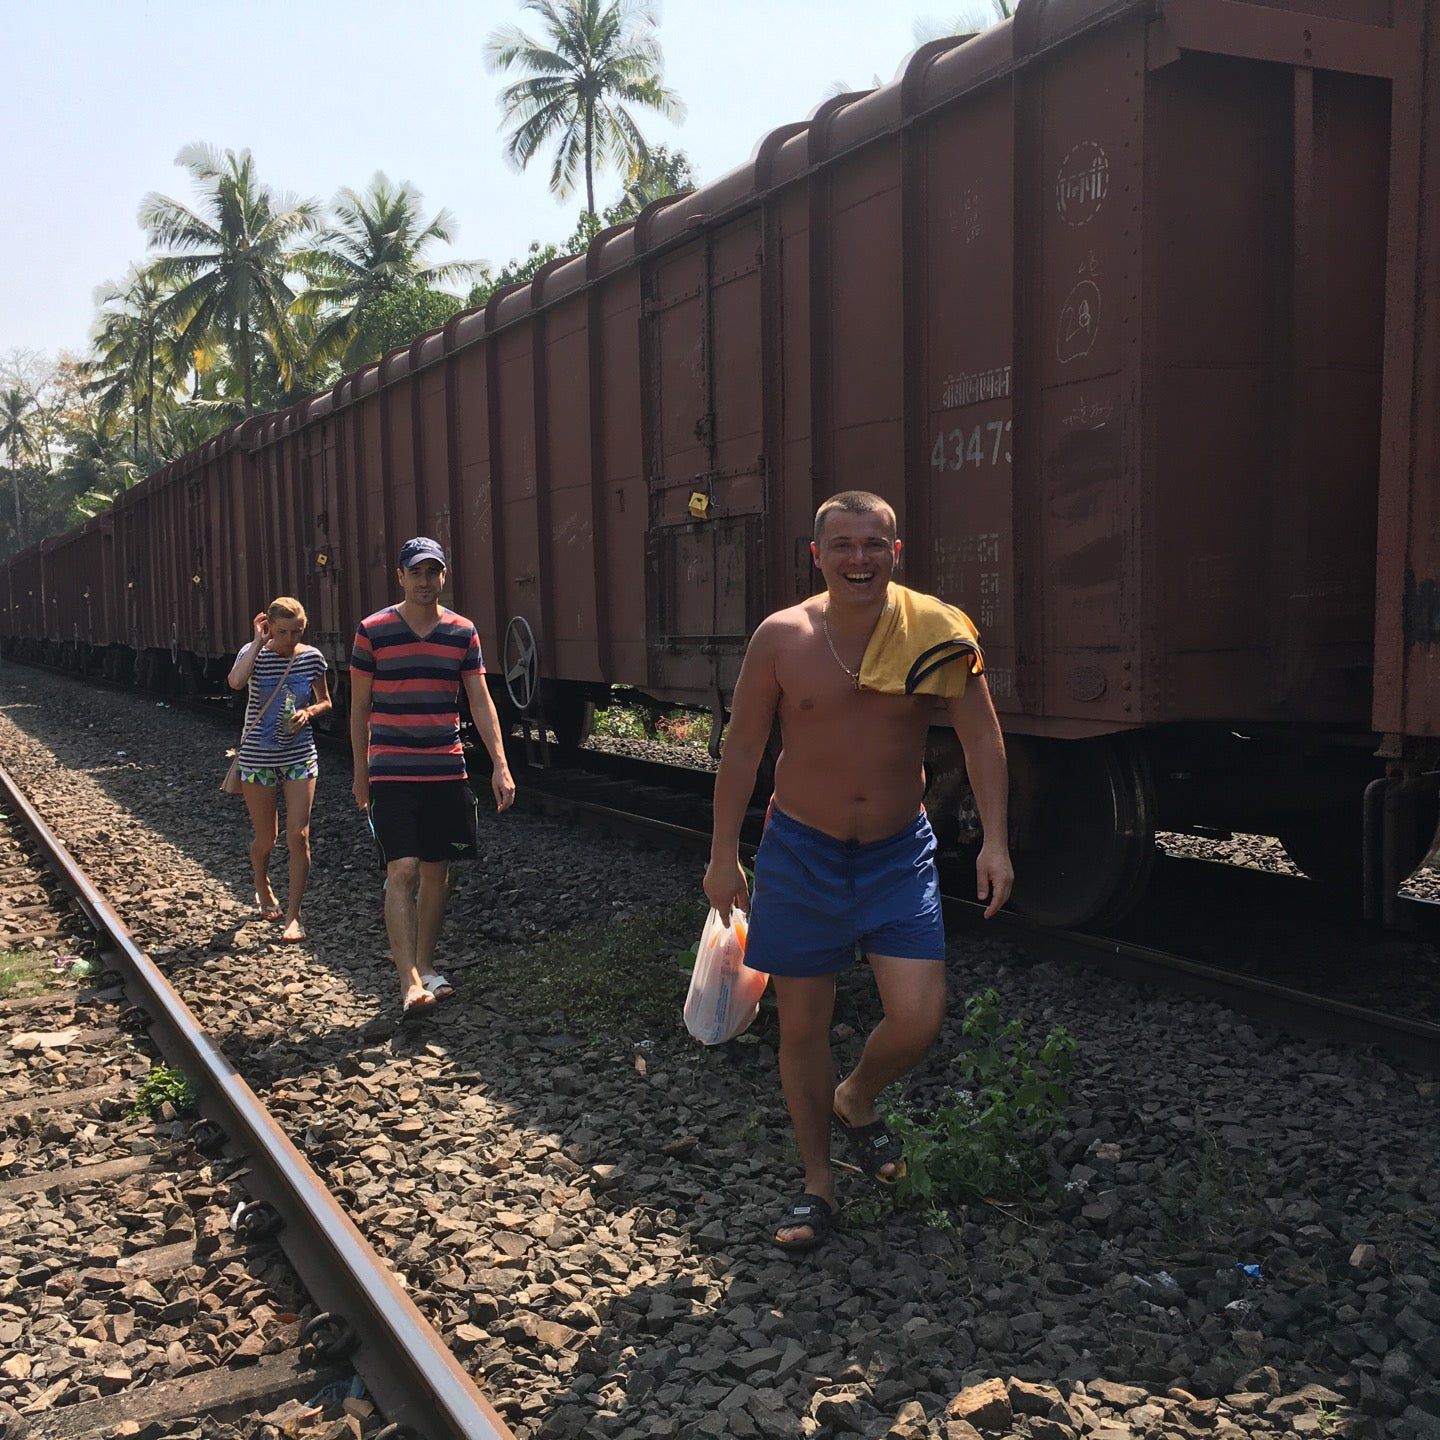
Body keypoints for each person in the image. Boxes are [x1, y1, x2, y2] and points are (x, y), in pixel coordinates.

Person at [703, 490, 1014, 1252]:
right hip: (799, 850)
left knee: (918, 1015)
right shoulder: (782, 638)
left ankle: (858, 1094)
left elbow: (981, 738)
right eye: (842, 545)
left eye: (874, 544)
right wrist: (720, 856)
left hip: (896, 850)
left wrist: (996, 841)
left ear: (896, 552)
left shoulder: (933, 632)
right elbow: (742, 750)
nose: (859, 559)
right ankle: (818, 1186)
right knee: (802, 1026)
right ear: (817, 556)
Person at [349, 537, 516, 1017]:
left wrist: (500, 766)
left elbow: (481, 702)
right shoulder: (372, 631)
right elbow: (359, 707)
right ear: (400, 576)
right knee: (401, 869)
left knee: (437, 873)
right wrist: (361, 773)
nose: (425, 581)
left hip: (445, 768)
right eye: (415, 572)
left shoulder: (462, 632)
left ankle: (424, 965)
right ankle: (409, 982)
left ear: (443, 576)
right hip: (392, 770)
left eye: (433, 572)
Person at [227, 597, 332, 944]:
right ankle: (261, 883)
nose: (289, 638)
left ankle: (293, 915)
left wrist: (310, 713)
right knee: (266, 838)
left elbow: (326, 700)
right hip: (258, 757)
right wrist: (257, 643)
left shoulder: (312, 657)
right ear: (268, 626)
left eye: (296, 631)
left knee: (298, 836)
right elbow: (235, 683)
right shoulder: (253, 652)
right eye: (282, 631)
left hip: (300, 755)